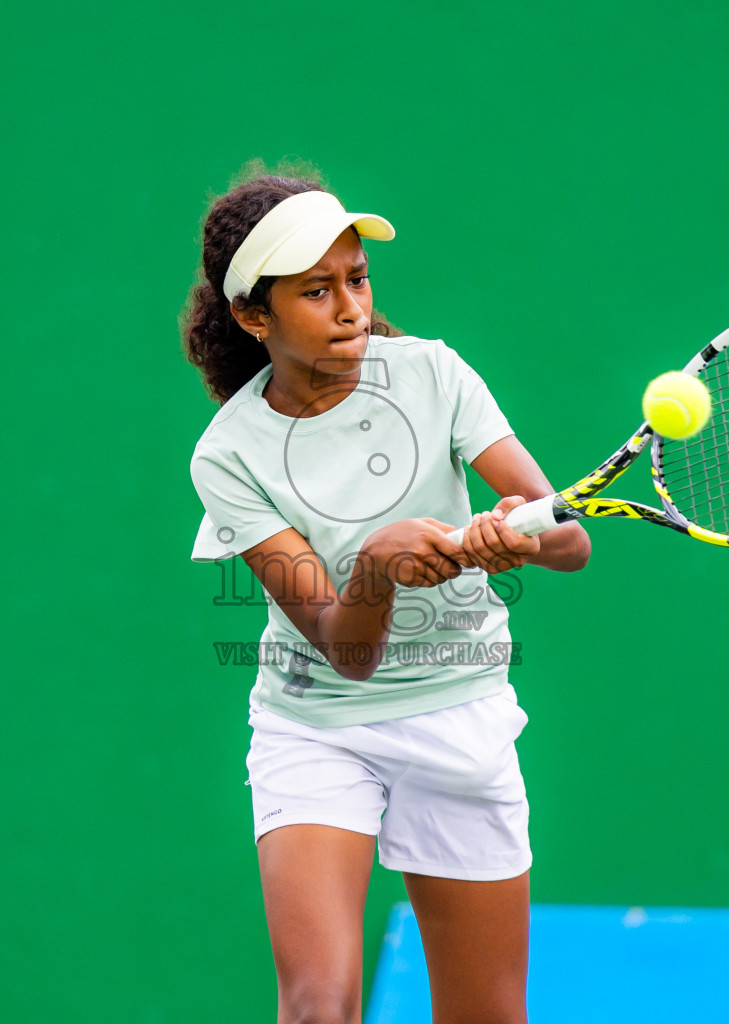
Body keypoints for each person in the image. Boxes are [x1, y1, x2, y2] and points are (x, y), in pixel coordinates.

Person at [183, 162, 590, 1024]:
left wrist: (504, 534)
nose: (351, 309)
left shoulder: (436, 375)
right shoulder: (227, 455)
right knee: (319, 1007)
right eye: (316, 291)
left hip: (460, 716)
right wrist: (377, 565)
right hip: (317, 726)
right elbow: (346, 651)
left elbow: (571, 541)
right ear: (254, 316)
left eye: (357, 279)